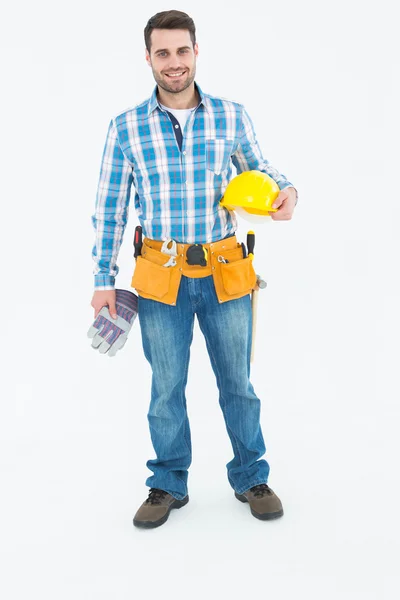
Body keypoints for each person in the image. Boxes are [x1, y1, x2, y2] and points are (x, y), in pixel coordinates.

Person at [90, 9, 298, 529]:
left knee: (238, 383)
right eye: (163, 53)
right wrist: (102, 281)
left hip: (226, 270)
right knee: (166, 386)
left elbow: (261, 169)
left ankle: (251, 475)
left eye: (182, 51)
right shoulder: (125, 127)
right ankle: (166, 484)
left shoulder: (231, 115)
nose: (174, 62)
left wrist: (287, 190)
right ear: (148, 58)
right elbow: (110, 208)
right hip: (160, 278)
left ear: (196, 52)